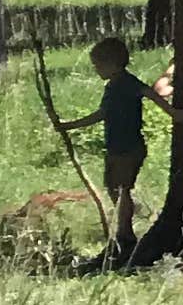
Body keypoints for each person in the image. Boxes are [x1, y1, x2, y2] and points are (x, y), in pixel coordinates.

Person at [55, 36, 169, 252]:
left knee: (122, 188)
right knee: (112, 187)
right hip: (115, 146)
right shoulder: (113, 86)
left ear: (112, 64)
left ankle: (126, 232)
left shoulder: (126, 83)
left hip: (129, 147)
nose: (96, 70)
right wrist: (68, 126)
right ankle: (126, 223)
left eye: (98, 65)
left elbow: (149, 94)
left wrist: (174, 113)